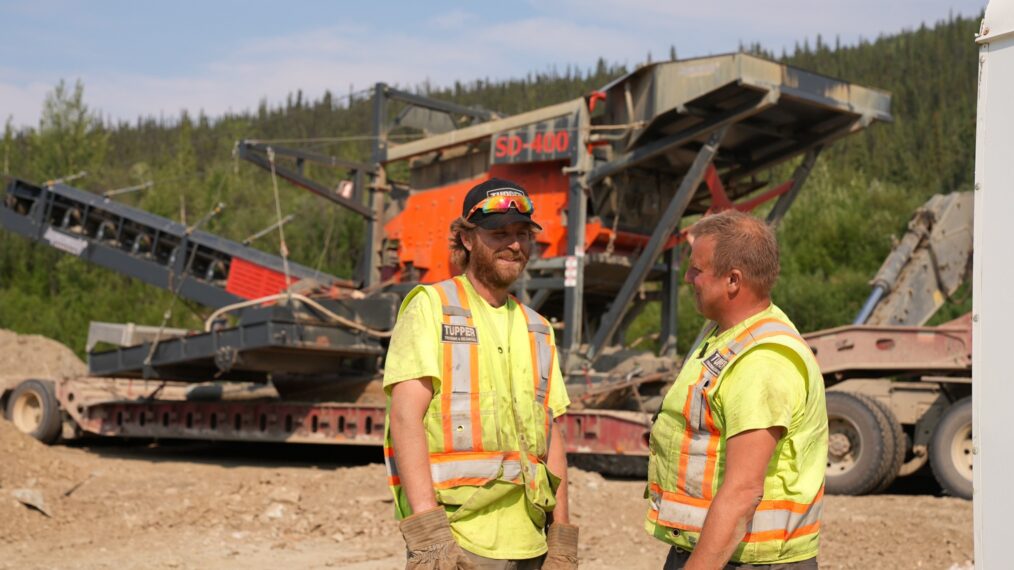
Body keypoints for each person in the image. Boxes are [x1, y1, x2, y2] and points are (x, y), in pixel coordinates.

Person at [383, 178, 579, 570]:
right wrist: (430, 535)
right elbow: (405, 418)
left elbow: (551, 432)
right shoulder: (431, 308)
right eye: (499, 233)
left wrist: (562, 538)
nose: (515, 244)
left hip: (531, 542)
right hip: (459, 542)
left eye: (523, 233)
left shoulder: (538, 328)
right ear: (468, 239)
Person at [645, 210, 828, 569]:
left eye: (697, 270)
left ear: (732, 280)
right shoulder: (730, 338)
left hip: (747, 561)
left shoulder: (762, 363)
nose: (687, 278)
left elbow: (743, 492)